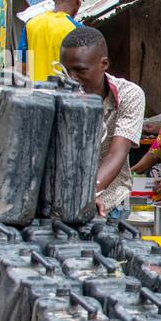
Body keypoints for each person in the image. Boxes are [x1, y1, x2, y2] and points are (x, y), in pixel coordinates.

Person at [57, 25, 145, 217]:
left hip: (111, 199)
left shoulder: (129, 95)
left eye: (80, 70)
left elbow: (116, 154)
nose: (71, 78)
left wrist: (86, 195)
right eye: (66, 71)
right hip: (61, 199)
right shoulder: (56, 96)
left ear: (103, 64)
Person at [20, 0, 83, 82]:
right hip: (65, 97)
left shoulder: (30, 24)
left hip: (35, 94)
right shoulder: (79, 30)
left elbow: (21, 67)